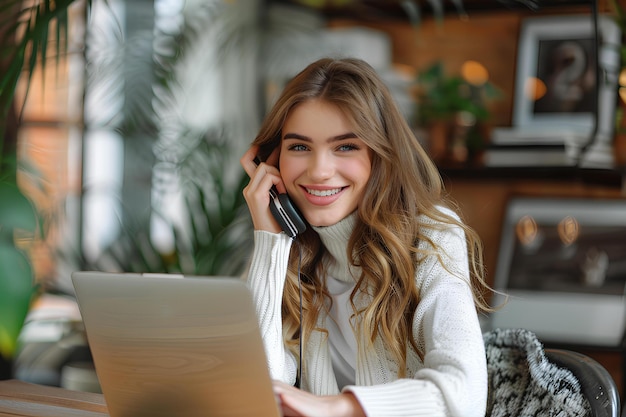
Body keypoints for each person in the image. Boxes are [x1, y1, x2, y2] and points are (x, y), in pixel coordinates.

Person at [239, 57, 493, 417]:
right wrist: (270, 239)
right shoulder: (288, 249)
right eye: (299, 147)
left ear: (380, 154)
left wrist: (337, 408)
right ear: (272, 159)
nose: (319, 171)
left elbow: (465, 396)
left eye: (345, 147)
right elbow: (254, 390)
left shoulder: (431, 238)